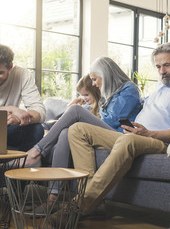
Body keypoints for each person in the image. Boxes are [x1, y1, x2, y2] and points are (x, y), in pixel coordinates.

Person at [68, 43, 170, 216]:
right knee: (78, 130)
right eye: (158, 66)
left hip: (159, 142)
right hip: (134, 135)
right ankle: (94, 203)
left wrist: (149, 133)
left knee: (128, 140)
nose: (161, 71)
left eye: (167, 65)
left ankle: (80, 205)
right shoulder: (159, 88)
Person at [24, 57, 142, 212]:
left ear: (105, 75)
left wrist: (85, 112)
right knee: (65, 133)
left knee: (75, 111)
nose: (93, 84)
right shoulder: (110, 93)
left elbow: (113, 120)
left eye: (94, 79)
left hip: (120, 137)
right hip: (104, 133)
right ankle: (52, 199)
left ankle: (36, 151)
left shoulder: (129, 90)